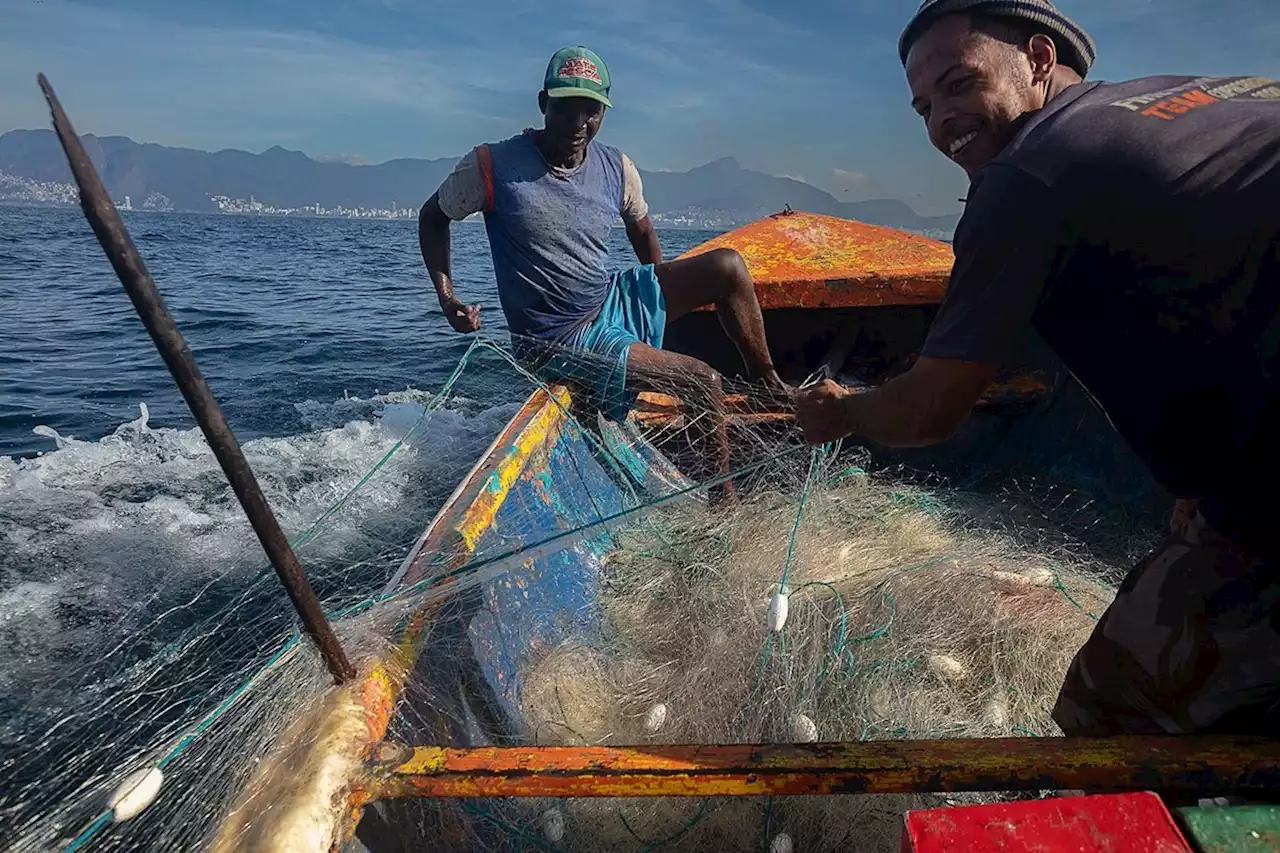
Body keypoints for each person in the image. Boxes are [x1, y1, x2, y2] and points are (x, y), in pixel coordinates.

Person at [796, 0, 1280, 738]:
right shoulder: (1198, 96)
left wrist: (845, 412)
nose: (940, 122)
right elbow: (1212, 280)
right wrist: (1198, 483)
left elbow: (932, 408)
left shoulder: (1026, 174)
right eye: (924, 106)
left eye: (960, 83)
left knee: (1115, 705)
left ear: (1040, 59)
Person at [419, 45, 788, 487]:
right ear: (543, 104)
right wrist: (447, 297)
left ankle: (768, 382)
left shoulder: (617, 166)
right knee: (702, 380)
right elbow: (433, 216)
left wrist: (661, 289)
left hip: (611, 298)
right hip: (557, 337)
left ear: (603, 112)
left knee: (728, 267)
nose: (578, 124)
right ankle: (722, 501)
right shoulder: (492, 165)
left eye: (590, 110)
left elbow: (643, 229)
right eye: (565, 110)